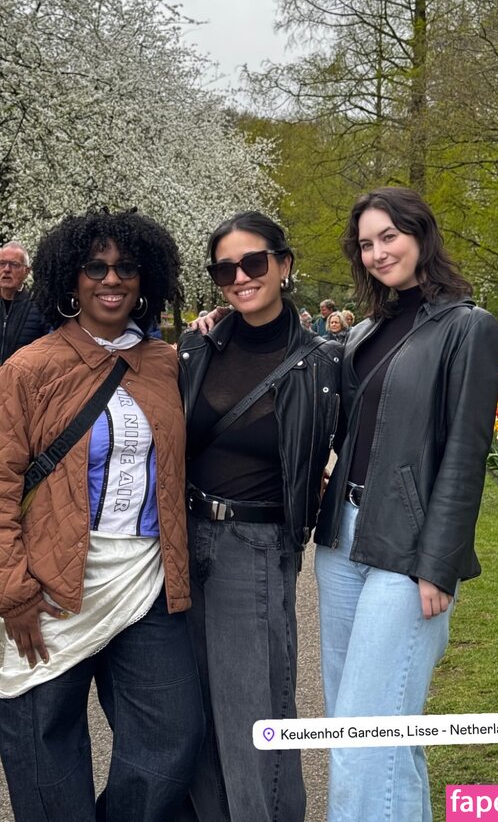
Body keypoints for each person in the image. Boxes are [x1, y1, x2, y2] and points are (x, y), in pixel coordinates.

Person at [0, 209, 205, 822]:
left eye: (126, 267)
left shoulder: (165, 362)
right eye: (95, 267)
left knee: (172, 735)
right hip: (48, 583)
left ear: (147, 279)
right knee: (46, 744)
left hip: (146, 580)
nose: (111, 279)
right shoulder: (29, 368)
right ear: (72, 277)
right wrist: (12, 590)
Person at [314, 187, 498, 822]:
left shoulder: (468, 327)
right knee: (370, 728)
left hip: (409, 545)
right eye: (366, 243)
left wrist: (439, 563)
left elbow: (466, 453)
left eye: (389, 236)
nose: (378, 252)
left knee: (365, 737)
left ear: (421, 234)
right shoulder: (364, 331)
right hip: (342, 538)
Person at [177, 211, 341, 822]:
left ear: (284, 264)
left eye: (253, 263)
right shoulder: (198, 348)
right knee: (195, 711)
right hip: (185, 539)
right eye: (226, 270)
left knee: (255, 710)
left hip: (255, 545)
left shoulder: (322, 363)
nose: (241, 278)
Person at [0, 240, 47, 364]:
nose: (6, 269)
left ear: (26, 271)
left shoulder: (39, 307)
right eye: (2, 263)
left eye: (14, 264)